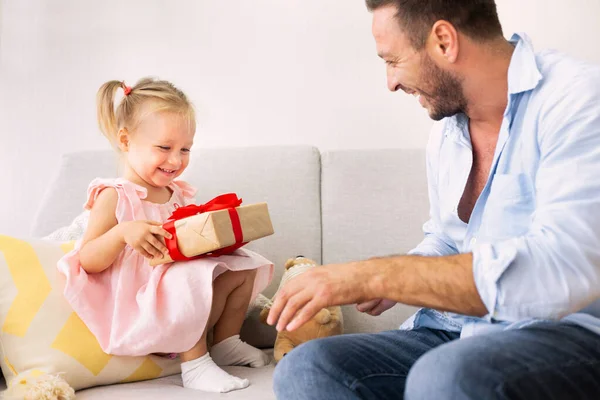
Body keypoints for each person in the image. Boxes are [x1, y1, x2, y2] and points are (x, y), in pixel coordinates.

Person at [269, 1, 600, 399]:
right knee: (310, 367)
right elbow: (449, 240)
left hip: (565, 336)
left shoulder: (577, 99)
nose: (389, 82)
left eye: (392, 60)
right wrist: (397, 279)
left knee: (445, 375)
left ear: (444, 41)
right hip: (457, 331)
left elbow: (561, 269)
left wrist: (380, 274)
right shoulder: (448, 130)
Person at [57, 77, 273, 393]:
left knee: (245, 264)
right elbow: (87, 260)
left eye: (185, 149)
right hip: (139, 308)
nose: (176, 160)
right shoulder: (115, 196)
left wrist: (222, 239)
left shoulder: (176, 194)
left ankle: (225, 341)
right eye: (164, 147)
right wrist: (121, 233)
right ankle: (195, 365)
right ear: (126, 140)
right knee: (186, 273)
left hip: (181, 308)